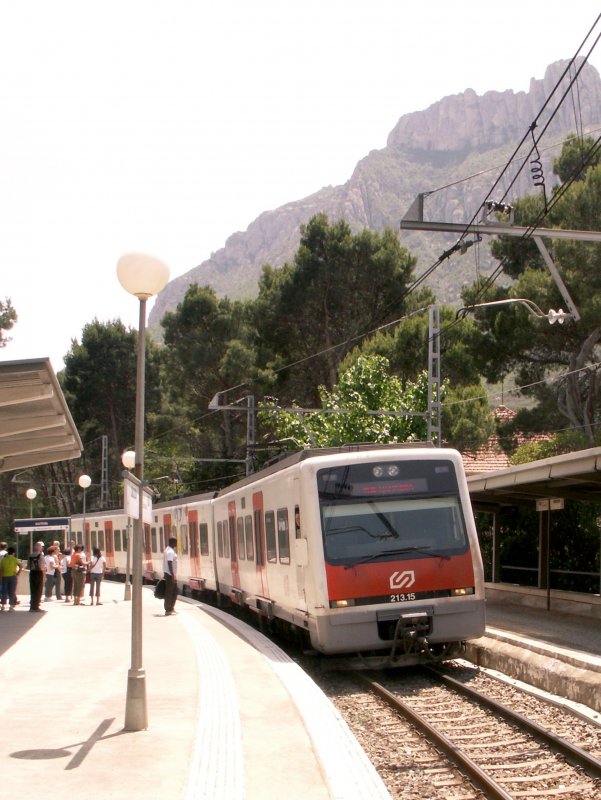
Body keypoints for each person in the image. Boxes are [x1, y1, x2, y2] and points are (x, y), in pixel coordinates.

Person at [28, 541, 46, 612]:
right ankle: (36, 607)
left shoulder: (31, 555)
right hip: (38, 573)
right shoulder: (40, 555)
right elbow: (42, 566)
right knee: (38, 590)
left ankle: (32, 606)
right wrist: (44, 575)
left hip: (32, 573)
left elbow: (28, 566)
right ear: (39, 547)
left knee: (33, 590)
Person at [162, 536, 178, 616]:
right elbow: (169, 563)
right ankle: (168, 609)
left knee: (173, 591)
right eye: (176, 542)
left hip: (169, 574)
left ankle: (170, 608)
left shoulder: (167, 550)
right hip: (170, 575)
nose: (176, 544)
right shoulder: (170, 552)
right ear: (173, 542)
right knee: (171, 592)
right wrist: (173, 575)